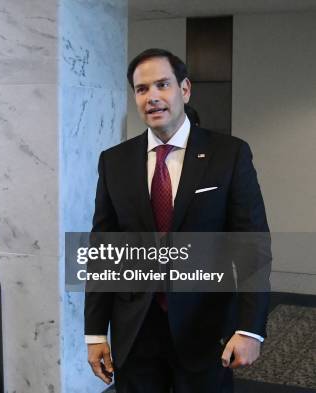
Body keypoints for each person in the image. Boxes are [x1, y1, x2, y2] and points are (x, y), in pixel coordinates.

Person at [85, 48, 270, 393]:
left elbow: (251, 247)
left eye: (162, 84)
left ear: (184, 89)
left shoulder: (228, 154)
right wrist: (95, 332)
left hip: (205, 326)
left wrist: (249, 328)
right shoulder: (115, 161)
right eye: (142, 89)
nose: (152, 97)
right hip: (135, 328)